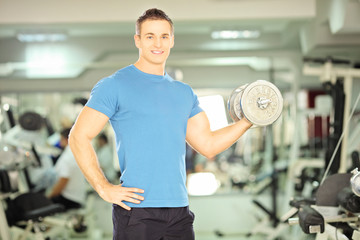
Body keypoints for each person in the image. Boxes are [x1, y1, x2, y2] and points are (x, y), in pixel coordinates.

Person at [69, 8, 252, 240]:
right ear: (137, 40)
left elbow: (208, 144)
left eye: (164, 36)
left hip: (179, 211)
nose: (158, 43)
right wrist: (103, 187)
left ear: (172, 40)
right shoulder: (114, 85)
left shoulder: (183, 93)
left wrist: (247, 121)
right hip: (136, 211)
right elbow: (78, 136)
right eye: (150, 36)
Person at [48, 128, 87, 210]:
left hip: (69, 199)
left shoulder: (68, 157)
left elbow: (63, 180)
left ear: (66, 139)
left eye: (60, 139)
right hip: (78, 196)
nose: (59, 142)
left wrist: (49, 196)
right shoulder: (76, 152)